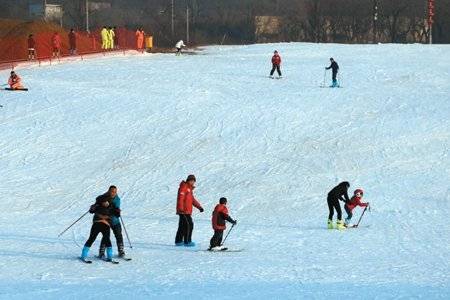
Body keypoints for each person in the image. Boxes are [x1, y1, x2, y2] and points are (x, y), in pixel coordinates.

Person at [80, 187, 119, 262]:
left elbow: (117, 214)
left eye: (107, 202)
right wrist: (93, 207)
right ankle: (84, 255)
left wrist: (117, 211)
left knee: (106, 239)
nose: (106, 203)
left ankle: (109, 257)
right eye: (104, 202)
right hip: (97, 223)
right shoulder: (99, 203)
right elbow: (92, 210)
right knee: (92, 238)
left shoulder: (111, 205)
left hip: (106, 224)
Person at [175, 174, 204, 247]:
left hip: (187, 211)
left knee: (182, 226)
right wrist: (181, 208)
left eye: (194, 181)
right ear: (188, 180)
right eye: (192, 181)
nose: (193, 182)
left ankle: (178, 241)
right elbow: (180, 198)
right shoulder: (184, 187)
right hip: (183, 210)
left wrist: (199, 207)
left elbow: (192, 200)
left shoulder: (189, 189)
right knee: (189, 225)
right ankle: (187, 241)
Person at [98, 186, 125, 258]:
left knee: (118, 235)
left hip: (115, 220)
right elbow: (98, 201)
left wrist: (117, 211)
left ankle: (121, 251)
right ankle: (101, 252)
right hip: (106, 220)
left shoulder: (117, 199)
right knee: (106, 236)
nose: (114, 193)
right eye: (112, 191)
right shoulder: (103, 197)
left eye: (115, 192)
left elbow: (116, 209)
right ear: (109, 191)